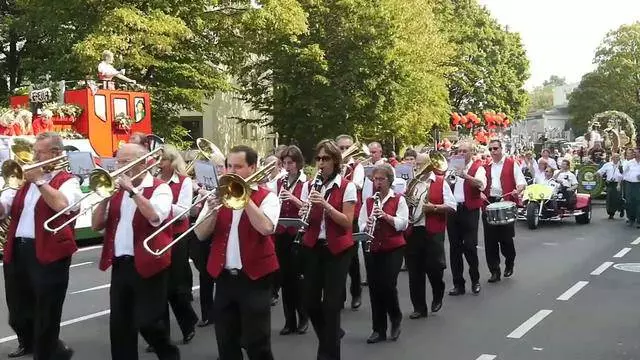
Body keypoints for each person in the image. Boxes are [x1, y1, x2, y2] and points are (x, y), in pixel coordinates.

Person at [93, 143, 179, 360]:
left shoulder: (160, 188)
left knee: (148, 322)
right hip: (122, 264)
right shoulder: (115, 192)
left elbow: (154, 217)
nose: (120, 166)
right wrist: (104, 198)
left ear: (144, 163)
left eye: (125, 161)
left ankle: (169, 355)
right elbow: (96, 225)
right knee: (120, 326)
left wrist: (132, 191)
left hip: (149, 264)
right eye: (118, 161)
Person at [194, 145, 280, 360]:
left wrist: (245, 197)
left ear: (253, 167)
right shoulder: (218, 196)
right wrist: (212, 213)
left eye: (238, 167)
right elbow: (200, 234)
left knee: (257, 343)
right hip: (224, 279)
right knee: (226, 342)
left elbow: (266, 228)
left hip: (255, 278)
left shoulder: (268, 197)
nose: (231, 171)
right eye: (229, 166)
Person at [0, 132, 81, 359]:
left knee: (46, 309)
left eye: (38, 152)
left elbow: (62, 205)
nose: (33, 157)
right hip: (18, 249)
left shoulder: (69, 180)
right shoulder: (22, 181)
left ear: (55, 153)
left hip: (50, 252)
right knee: (17, 310)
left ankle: (47, 352)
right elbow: (5, 206)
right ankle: (33, 344)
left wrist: (39, 181)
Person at [299, 139, 357, 360]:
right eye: (319, 159)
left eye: (326, 159)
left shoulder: (347, 186)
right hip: (314, 246)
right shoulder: (310, 185)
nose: (321, 163)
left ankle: (328, 355)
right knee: (310, 302)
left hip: (338, 249)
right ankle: (331, 337)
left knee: (331, 305)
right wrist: (304, 209)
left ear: (335, 161)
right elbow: (307, 218)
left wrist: (325, 205)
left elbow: (346, 222)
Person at [357, 164, 408, 344]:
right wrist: (368, 222)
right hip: (373, 247)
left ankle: (395, 317)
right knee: (374, 288)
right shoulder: (369, 201)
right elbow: (361, 223)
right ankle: (378, 329)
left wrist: (386, 216)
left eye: (381, 179)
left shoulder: (399, 199)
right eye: (375, 179)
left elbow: (403, 223)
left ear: (389, 180)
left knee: (387, 284)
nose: (377, 183)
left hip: (393, 247)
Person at [153, 145, 198, 347]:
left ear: (172, 162)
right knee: (157, 287)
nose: (158, 164)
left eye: (162, 160)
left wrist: (160, 204)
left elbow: (184, 210)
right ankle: (161, 336)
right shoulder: (151, 182)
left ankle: (188, 323)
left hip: (177, 236)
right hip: (156, 234)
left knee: (175, 286)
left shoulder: (184, 182)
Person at [405, 153, 456, 319]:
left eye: (420, 164)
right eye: (415, 164)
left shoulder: (440, 182)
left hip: (433, 230)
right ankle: (419, 307)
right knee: (414, 271)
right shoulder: (412, 183)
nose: (417, 167)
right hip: (414, 230)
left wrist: (434, 208)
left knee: (434, 268)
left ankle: (437, 292)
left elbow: (452, 206)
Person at [275, 145, 309, 335]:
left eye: (290, 163)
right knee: (285, 279)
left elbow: (308, 208)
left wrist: (293, 199)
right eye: (285, 163)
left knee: (298, 280)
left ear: (298, 163)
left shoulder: (306, 183)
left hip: (298, 235)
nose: (287, 167)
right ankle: (289, 321)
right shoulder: (279, 182)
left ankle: (303, 317)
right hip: (281, 234)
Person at [483, 139, 527, 283]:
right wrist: (480, 193)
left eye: (495, 148)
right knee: (490, 241)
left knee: (506, 239)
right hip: (489, 203)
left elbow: (521, 182)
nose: (493, 152)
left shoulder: (511, 163)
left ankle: (509, 261)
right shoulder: (485, 167)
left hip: (505, 202)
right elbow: (480, 184)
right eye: (490, 149)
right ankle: (494, 271)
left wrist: (517, 190)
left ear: (502, 149)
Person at [447, 141, 486, 296]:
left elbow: (481, 185)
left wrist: (465, 175)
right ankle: (458, 284)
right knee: (454, 248)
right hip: (453, 209)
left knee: (470, 247)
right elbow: (446, 185)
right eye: (459, 151)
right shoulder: (451, 166)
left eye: (464, 151)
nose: (461, 154)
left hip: (469, 210)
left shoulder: (478, 167)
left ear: (471, 152)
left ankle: (475, 280)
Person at [336, 134, 364, 309]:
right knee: (336, 256)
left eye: (348, 148)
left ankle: (356, 293)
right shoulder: (334, 165)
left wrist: (343, 172)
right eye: (341, 148)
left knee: (352, 257)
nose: (345, 151)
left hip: (351, 215)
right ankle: (340, 296)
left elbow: (356, 186)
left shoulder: (357, 166)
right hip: (334, 214)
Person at [597, 153, 624, 219]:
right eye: (614, 157)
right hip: (610, 183)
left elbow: (621, 176)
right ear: (612, 158)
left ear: (619, 158)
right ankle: (611, 213)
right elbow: (600, 171)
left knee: (618, 198)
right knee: (610, 198)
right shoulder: (607, 165)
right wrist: (595, 174)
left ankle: (621, 208)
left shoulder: (621, 166)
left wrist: (618, 185)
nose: (616, 159)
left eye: (617, 157)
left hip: (617, 183)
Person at [623, 148, 640, 228]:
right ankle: (631, 219)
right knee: (629, 202)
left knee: (638, 202)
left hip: (638, 185)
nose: (634, 154)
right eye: (634, 153)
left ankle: (638, 220)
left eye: (636, 153)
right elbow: (623, 172)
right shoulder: (630, 163)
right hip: (629, 184)